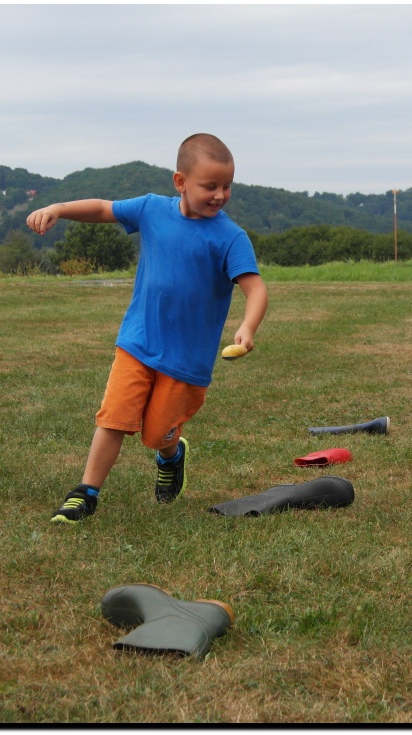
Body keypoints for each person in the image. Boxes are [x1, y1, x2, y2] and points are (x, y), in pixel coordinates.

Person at [26, 133, 268, 524]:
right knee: (114, 418)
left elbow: (255, 289)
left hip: (185, 362)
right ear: (180, 182)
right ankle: (85, 493)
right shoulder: (152, 210)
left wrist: (248, 326)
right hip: (138, 342)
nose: (220, 194)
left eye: (227, 186)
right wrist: (59, 208)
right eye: (210, 186)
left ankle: (171, 455)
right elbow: (103, 208)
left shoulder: (230, 238)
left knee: (156, 434)